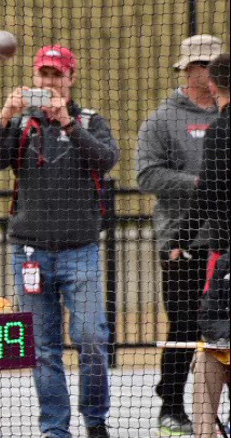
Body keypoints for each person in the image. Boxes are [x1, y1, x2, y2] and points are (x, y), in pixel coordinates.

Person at [0, 45, 119, 438]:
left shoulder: (90, 121)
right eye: (43, 74)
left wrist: (68, 123)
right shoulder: (22, 126)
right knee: (43, 348)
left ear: (71, 79)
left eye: (57, 75)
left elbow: (106, 161)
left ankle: (96, 420)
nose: (49, 82)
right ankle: (55, 429)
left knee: (92, 337)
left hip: (81, 251)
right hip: (30, 252)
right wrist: (3, 118)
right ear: (33, 78)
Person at [136, 34, 225, 436]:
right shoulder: (162, 119)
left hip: (225, 243)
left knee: (225, 330)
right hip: (182, 243)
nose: (205, 73)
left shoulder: (227, 116)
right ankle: (172, 406)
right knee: (184, 328)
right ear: (186, 70)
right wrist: (200, 184)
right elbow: (146, 174)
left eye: (212, 65)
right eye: (199, 65)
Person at [178, 52, 230, 438]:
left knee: (213, 344)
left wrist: (180, 238)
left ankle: (204, 432)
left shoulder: (220, 132)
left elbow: (209, 192)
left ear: (213, 86)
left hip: (227, 256)